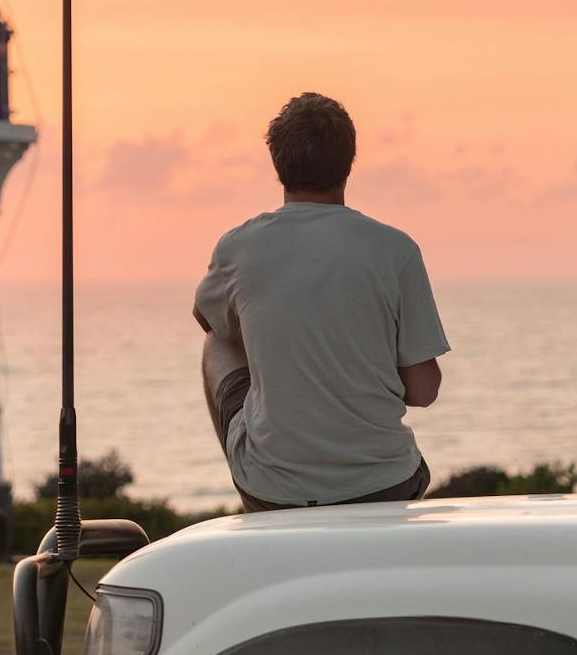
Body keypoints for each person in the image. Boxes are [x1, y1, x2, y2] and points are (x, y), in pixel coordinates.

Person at [193, 92, 450, 512]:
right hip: (384, 482)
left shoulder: (238, 248)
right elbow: (424, 390)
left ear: (278, 164)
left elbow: (208, 321)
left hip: (272, 489)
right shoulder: (395, 249)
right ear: (349, 163)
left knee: (217, 339)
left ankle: (266, 450)